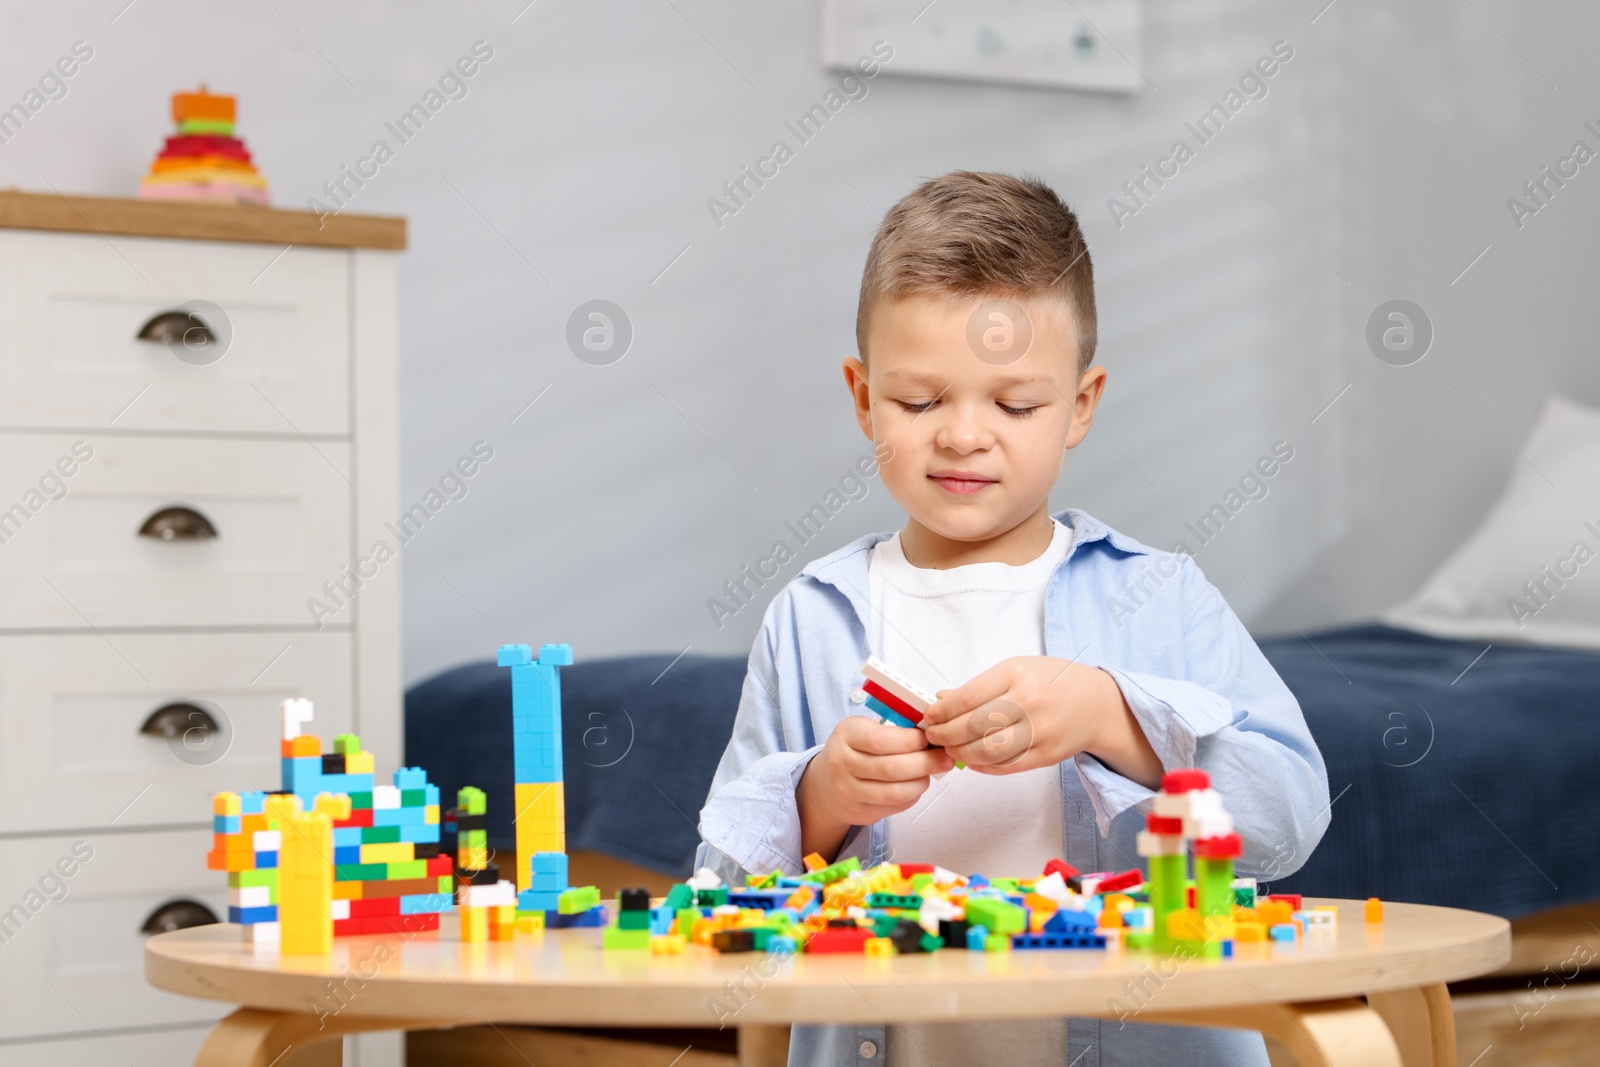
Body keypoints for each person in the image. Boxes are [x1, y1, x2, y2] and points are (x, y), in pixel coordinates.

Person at [694, 170, 1329, 1066]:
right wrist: (819, 799)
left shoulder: (1163, 596)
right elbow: (718, 893)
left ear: (1080, 405)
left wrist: (1114, 717)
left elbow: (1292, 818)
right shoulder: (812, 618)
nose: (962, 434)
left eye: (1014, 403)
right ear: (862, 394)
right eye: (919, 401)